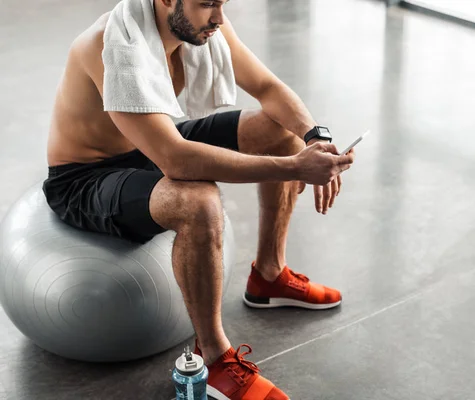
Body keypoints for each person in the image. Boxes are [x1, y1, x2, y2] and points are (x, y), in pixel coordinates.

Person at [43, 0, 354, 398]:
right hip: (86, 177)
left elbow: (268, 88)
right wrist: (295, 168)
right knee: (199, 202)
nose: (219, 18)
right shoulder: (108, 44)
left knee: (284, 133)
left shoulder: (203, 27)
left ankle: (269, 277)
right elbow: (176, 159)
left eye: (222, 3)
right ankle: (214, 358)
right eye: (207, 4)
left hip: (150, 144)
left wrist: (316, 139)